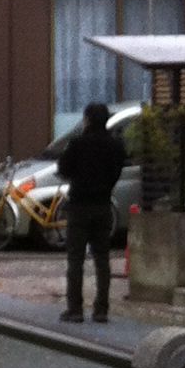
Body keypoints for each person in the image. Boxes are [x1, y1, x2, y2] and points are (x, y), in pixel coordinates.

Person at [60, 101, 125, 323]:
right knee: (102, 259)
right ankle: (101, 309)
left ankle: (75, 309)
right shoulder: (115, 145)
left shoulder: (77, 143)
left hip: (79, 205)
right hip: (103, 204)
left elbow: (63, 169)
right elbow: (117, 171)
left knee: (75, 259)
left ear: (87, 119)